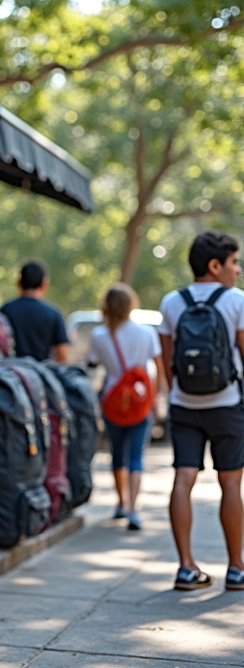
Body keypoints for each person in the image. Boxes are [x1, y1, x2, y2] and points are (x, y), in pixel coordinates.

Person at [159, 230, 244, 592]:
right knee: (230, 484)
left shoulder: (171, 302)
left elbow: (166, 360)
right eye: (234, 262)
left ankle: (186, 567)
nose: (237, 270)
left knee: (183, 479)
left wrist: (179, 391)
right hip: (227, 405)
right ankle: (237, 569)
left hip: (184, 405)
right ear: (215, 265)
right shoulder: (236, 300)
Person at [89, 283, 163, 531]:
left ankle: (121, 502)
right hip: (140, 401)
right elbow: (157, 368)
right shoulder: (146, 333)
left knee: (117, 455)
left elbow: (93, 365)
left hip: (112, 400)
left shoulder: (100, 335)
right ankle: (133, 507)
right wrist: (157, 397)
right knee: (136, 456)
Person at [0, 261, 69, 362]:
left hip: (10, 373)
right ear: (44, 284)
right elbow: (62, 354)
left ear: (19, 283)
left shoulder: (4, 311)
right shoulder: (53, 314)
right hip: (41, 372)